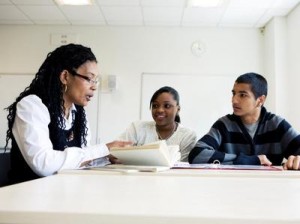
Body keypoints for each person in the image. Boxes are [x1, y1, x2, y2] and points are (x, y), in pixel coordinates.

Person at [5, 43, 131, 184]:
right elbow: (43, 164)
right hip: (26, 197)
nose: (94, 86)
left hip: (61, 193)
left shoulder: (78, 114)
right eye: (89, 78)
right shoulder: (32, 105)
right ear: (65, 77)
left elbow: (81, 160)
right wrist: (103, 149)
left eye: (96, 80)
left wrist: (107, 157)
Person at [188, 72, 300, 170]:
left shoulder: (277, 125)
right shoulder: (224, 125)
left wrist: (296, 160)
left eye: (242, 95)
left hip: (271, 188)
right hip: (231, 189)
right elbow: (197, 154)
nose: (234, 100)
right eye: (233, 93)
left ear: (260, 100)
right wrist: (250, 160)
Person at [117, 86, 197, 162]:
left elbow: (182, 167)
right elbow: (116, 152)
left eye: (167, 106)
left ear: (178, 109)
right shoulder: (137, 128)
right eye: (155, 106)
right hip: (138, 176)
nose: (160, 110)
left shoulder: (187, 135)